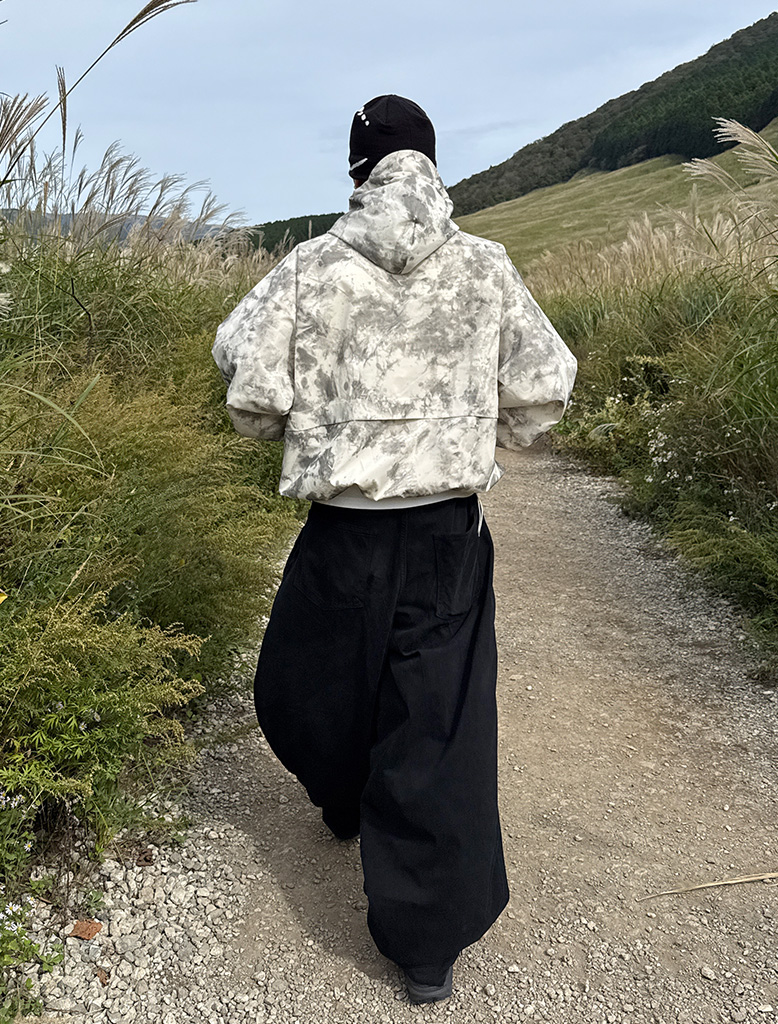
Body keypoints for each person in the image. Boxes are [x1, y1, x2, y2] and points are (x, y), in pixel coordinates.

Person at [212, 94, 577, 1004]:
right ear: (434, 165)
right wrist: (484, 431)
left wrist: (301, 426)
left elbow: (249, 385)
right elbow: (544, 386)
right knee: (438, 722)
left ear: (358, 171)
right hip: (449, 530)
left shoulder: (309, 266)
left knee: (307, 684)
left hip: (343, 528)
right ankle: (426, 945)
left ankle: (342, 796)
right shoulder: (486, 265)